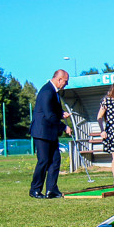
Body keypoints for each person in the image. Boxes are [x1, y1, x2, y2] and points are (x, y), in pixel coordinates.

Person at [30, 69, 72, 199]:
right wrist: (64, 126)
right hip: (42, 131)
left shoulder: (54, 92)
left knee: (55, 160)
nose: (66, 84)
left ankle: (51, 189)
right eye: (66, 81)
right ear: (59, 79)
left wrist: (62, 113)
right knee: (43, 161)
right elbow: (48, 115)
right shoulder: (47, 91)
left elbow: (53, 109)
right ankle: (35, 190)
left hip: (50, 131)